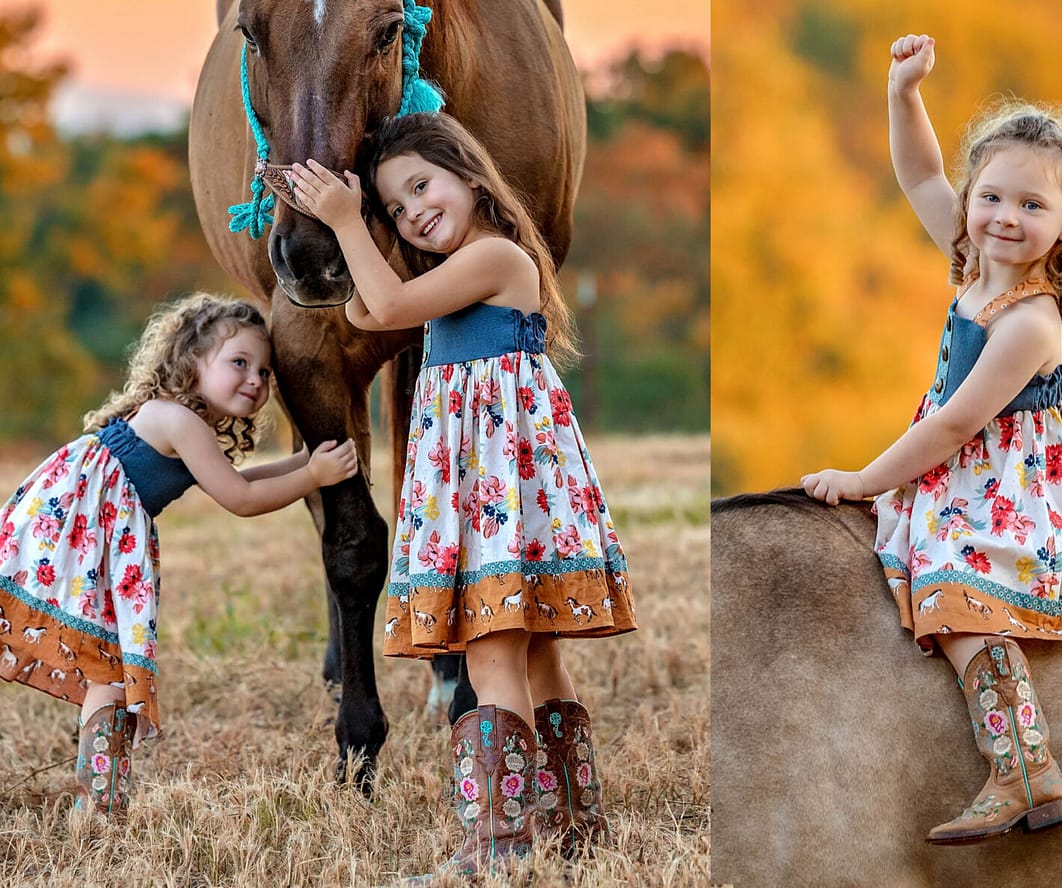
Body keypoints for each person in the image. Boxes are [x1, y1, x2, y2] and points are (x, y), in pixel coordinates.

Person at [800, 34, 1062, 844]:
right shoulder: (973, 262)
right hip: (966, 465)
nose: (1006, 218)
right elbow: (917, 174)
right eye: (992, 198)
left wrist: (868, 478)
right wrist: (904, 93)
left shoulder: (1030, 321)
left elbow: (957, 422)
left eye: (1033, 206)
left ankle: (1024, 769)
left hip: (1021, 487)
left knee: (957, 591)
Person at [287, 111, 636, 868]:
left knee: (491, 657)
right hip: (493, 490)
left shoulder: (499, 257)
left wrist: (347, 221)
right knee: (534, 655)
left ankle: (499, 846)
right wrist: (366, 240)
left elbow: (381, 310)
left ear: (472, 176)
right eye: (396, 210)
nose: (414, 212)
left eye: (421, 186)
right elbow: (359, 309)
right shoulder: (450, 274)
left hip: (499, 497)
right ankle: (574, 830)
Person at [0, 293, 359, 816]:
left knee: (109, 667)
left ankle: (99, 804)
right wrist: (312, 476)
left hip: (89, 532)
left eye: (264, 371)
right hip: (77, 532)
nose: (256, 380)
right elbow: (240, 500)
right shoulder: (178, 420)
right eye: (239, 363)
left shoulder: (185, 423)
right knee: (107, 665)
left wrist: (299, 462)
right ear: (191, 360)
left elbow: (235, 480)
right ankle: (99, 803)